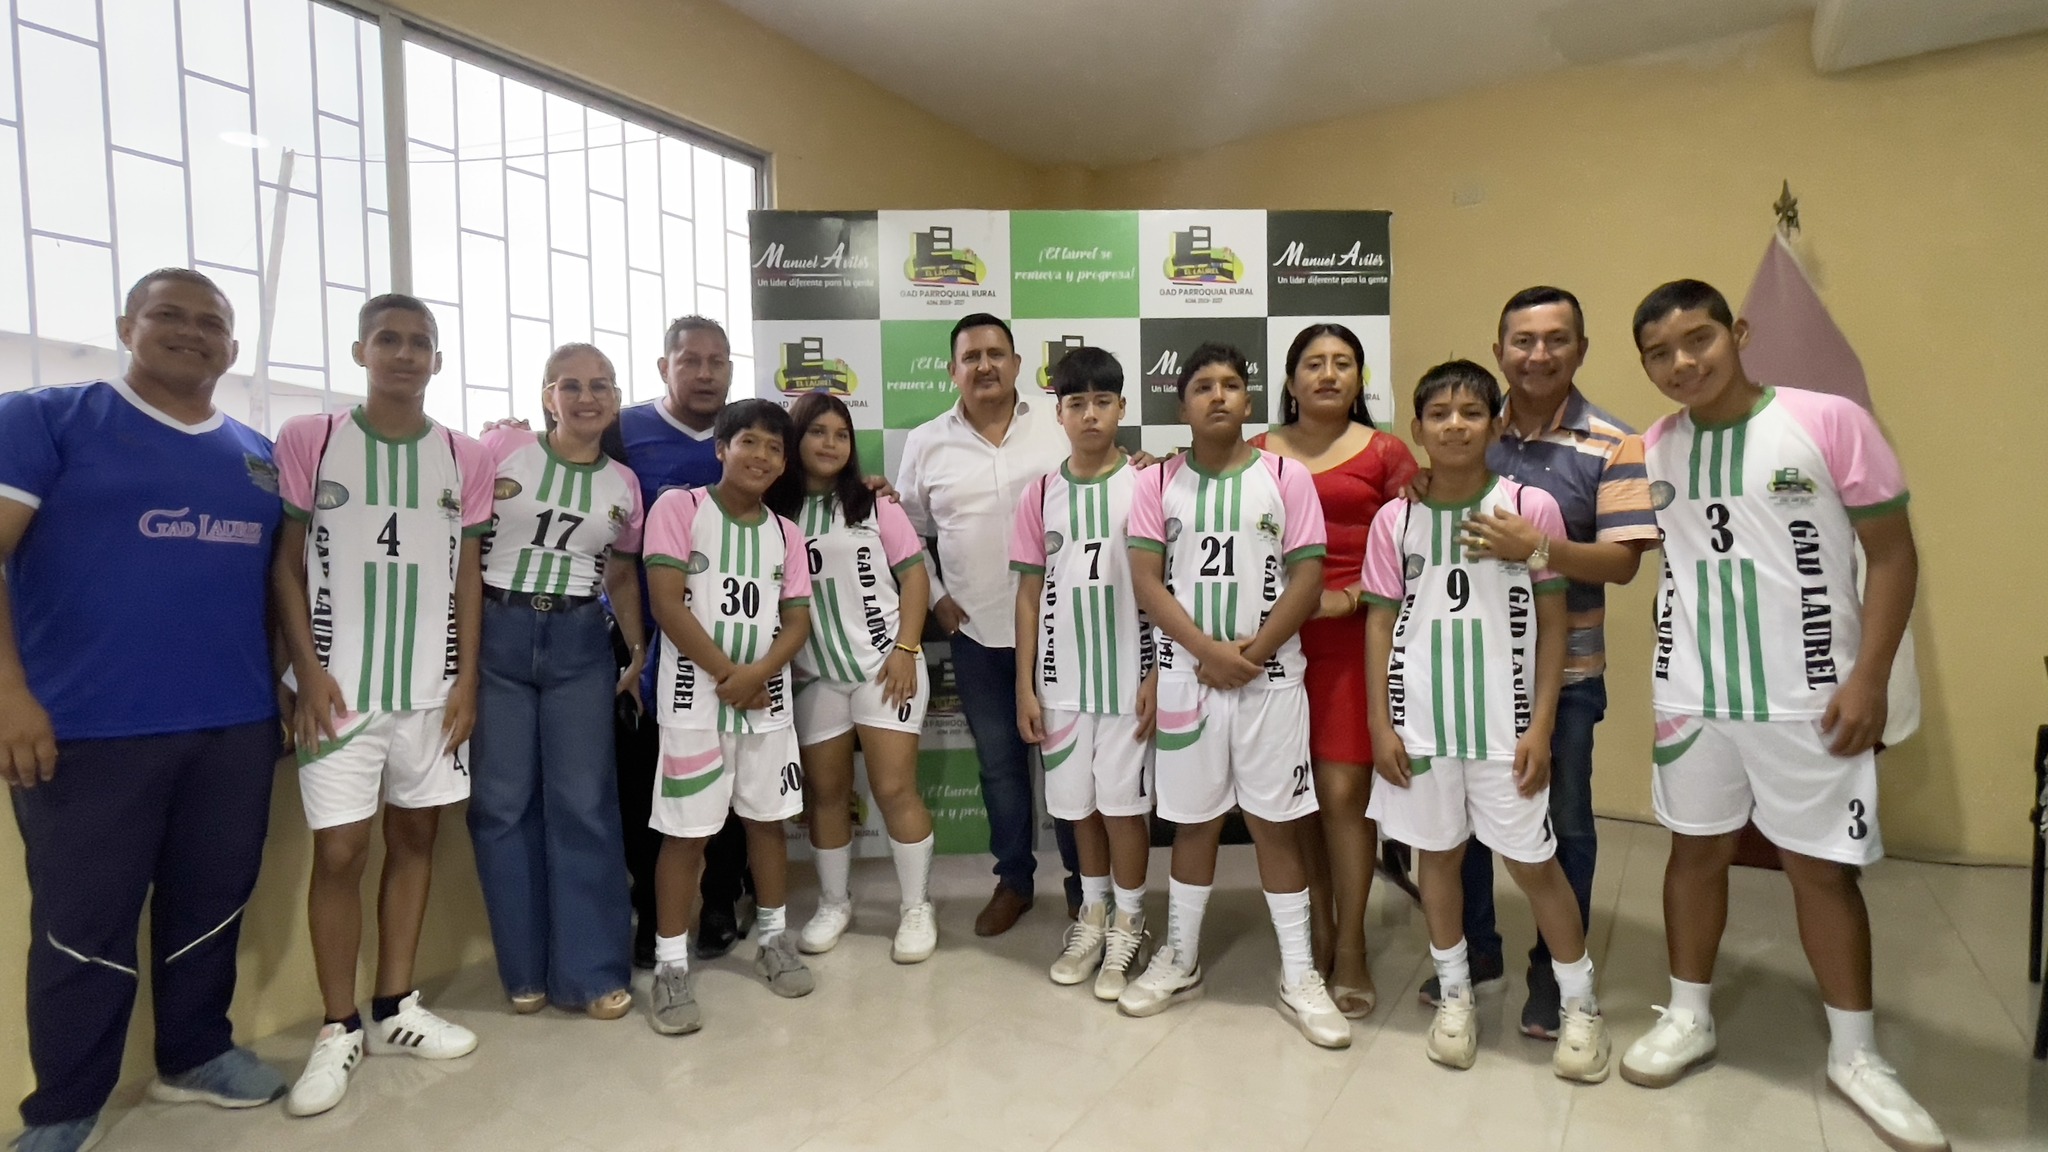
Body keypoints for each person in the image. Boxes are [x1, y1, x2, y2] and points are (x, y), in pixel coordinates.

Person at [1620, 281, 1945, 1152]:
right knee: (1695, 854)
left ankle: (1856, 1055)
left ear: (1738, 332)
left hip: (1810, 697)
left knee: (1822, 871)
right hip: (1692, 698)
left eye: (1699, 339)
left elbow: (1892, 555)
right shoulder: (1652, 448)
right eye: (1660, 353)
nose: (1683, 362)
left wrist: (1870, 678)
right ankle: (1689, 1016)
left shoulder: (1828, 422)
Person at [0, 269, 287, 1152]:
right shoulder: (44, 419)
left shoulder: (256, 456)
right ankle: (64, 1107)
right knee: (82, 924)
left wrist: (282, 688)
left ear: (232, 348)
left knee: (213, 901)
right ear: (127, 325)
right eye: (169, 315)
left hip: (234, 725)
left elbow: (273, 585)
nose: (192, 332)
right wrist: (9, 694)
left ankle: (196, 1054)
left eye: (212, 323)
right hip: (86, 730)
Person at [1418, 286, 1658, 1041]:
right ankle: (1475, 951)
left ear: (1580, 349)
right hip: (1466, 677)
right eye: (1523, 340)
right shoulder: (1472, 428)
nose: (1539, 354)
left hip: (1566, 676)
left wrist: (1541, 548)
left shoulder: (1614, 444)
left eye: (1557, 339)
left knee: (1563, 824)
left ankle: (1556, 976)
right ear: (1500, 351)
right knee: (1459, 826)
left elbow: (1623, 563)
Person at [1362, 359, 1611, 1081]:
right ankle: (1456, 993)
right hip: (1422, 728)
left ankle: (1580, 1004)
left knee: (1534, 865)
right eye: (1439, 414)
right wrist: (1381, 724)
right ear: (1417, 430)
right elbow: (1380, 624)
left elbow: (1554, 620)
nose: (1455, 426)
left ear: (1496, 424)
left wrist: (1540, 726)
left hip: (1506, 731)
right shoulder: (1396, 518)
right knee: (1438, 859)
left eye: (1471, 412)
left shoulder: (1528, 509)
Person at [273, 294, 490, 1117]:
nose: (404, 353)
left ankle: (396, 1005)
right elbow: (287, 563)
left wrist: (467, 680)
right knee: (339, 854)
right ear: (360, 350)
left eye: (420, 342)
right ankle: (338, 1026)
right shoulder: (312, 437)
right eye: (388, 340)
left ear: (437, 359)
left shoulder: (464, 456)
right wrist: (305, 670)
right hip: (338, 695)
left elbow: (467, 574)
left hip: (432, 694)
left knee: (416, 839)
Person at [1119, 342, 1348, 1049]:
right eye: (1202, 386)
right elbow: (1147, 582)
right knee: (1195, 824)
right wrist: (1207, 652)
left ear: (1249, 401)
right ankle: (1181, 957)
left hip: (1270, 679)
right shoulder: (1156, 484)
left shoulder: (1286, 476)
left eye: (1230, 384)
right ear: (1182, 405)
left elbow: (1308, 578)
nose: (1217, 395)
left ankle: (1299, 973)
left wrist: (1249, 653)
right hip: (1188, 680)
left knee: (1276, 825)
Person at [469, 343, 645, 1021]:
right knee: (502, 805)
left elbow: (621, 573)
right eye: (570, 385)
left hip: (578, 641)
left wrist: (637, 650)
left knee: (585, 803)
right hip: (499, 632)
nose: (586, 397)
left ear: (616, 398)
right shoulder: (501, 450)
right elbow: (464, 548)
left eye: (601, 385)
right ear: (548, 396)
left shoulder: (624, 484)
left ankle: (591, 971)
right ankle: (524, 968)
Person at [896, 314, 1082, 935]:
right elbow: (906, 533)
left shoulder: (1057, 425)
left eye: (996, 353)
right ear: (952, 370)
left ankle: (1085, 885)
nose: (984, 365)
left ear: (1017, 364)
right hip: (976, 633)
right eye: (971, 356)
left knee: (1069, 762)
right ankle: (1014, 882)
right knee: (1000, 766)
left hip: (1061, 629)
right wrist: (937, 596)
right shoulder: (926, 442)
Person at [1252, 322, 1417, 1018]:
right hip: (1275, 644)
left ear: (1358, 379)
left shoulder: (1387, 454)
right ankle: (1315, 933)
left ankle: (1351, 944)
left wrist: (1349, 599)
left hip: (1355, 642)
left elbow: (1416, 548)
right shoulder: (1255, 452)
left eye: (1342, 363)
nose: (1328, 374)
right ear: (1291, 382)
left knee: (1344, 794)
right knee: (1296, 800)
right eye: (1313, 364)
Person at [641, 399, 816, 1035]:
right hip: (694, 703)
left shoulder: (787, 534)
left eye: (774, 447)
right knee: (686, 833)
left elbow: (796, 621)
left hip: (766, 705)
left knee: (767, 824)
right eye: (749, 442)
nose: (761, 456)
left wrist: (758, 673)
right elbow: (667, 604)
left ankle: (773, 938)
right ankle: (670, 966)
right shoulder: (679, 509)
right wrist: (728, 673)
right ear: (721, 448)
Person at [1010, 347, 1158, 1001]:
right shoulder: (1041, 493)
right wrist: (1025, 685)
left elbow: (1168, 586)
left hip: (1129, 681)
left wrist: (1158, 674)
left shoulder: (1150, 483)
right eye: (1077, 403)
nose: (1090, 414)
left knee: (1123, 811)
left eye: (1102, 402)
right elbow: (1027, 596)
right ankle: (1092, 917)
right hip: (1061, 684)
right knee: (1080, 811)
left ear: (1122, 407)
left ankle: (1130, 922)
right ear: (1059, 413)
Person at [776, 390, 940, 964]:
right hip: (814, 675)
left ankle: (916, 907)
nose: (830, 443)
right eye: (817, 432)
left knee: (894, 790)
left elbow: (915, 577)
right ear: (795, 439)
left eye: (841, 434)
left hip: (884, 668)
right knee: (827, 796)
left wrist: (906, 649)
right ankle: (833, 902)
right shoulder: (774, 510)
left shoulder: (874, 503)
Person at [613, 316, 758, 966]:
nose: (705, 374)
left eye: (717, 361)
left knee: (732, 780)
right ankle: (652, 914)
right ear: (663, 367)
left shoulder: (750, 430)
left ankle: (721, 900)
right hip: (649, 646)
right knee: (651, 787)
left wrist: (868, 488)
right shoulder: (624, 430)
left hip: (740, 645)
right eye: (690, 361)